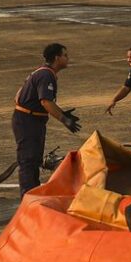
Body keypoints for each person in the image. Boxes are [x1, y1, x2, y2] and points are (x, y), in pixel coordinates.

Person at [13, 43, 81, 194]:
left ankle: (32, 193)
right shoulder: (46, 75)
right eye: (65, 55)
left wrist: (61, 112)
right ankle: (28, 198)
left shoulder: (41, 72)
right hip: (27, 121)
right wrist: (64, 119)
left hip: (31, 119)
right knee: (29, 160)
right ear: (57, 58)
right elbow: (45, 101)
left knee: (33, 158)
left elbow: (19, 96)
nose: (67, 58)